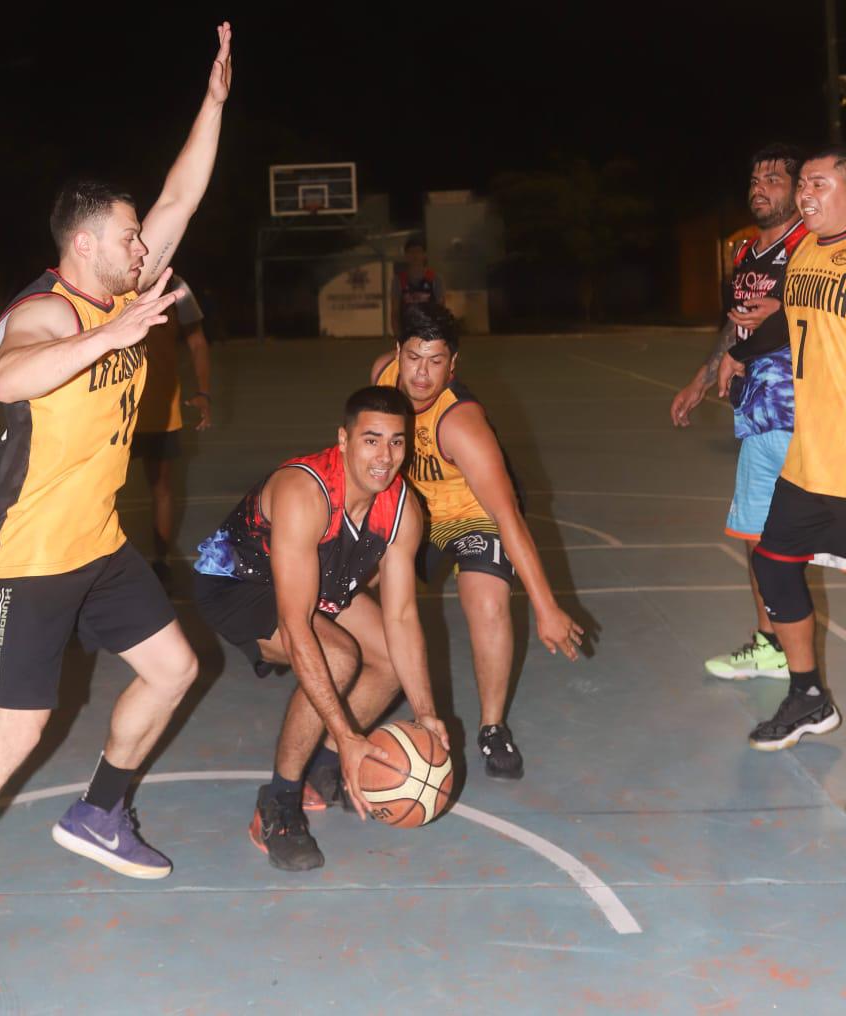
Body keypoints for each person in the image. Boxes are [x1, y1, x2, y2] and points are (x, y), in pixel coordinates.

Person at [0, 24, 232, 1013]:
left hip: (99, 544)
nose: (142, 246)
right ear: (83, 245)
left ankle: (99, 810)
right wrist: (112, 331)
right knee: (11, 734)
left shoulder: (123, 275)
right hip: (28, 557)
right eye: (126, 238)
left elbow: (180, 196)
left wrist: (212, 102)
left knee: (174, 667)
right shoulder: (49, 310)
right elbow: (9, 371)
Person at [193, 386, 449, 872]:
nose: (385, 456)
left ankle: (326, 771)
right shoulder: (304, 492)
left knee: (390, 659)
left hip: (316, 574)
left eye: (397, 442)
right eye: (371, 440)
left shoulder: (402, 509)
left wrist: (427, 711)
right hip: (238, 581)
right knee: (339, 657)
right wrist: (350, 733)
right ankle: (280, 802)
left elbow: (401, 617)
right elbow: (296, 625)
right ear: (343, 439)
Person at [373, 302, 583, 780]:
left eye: (436, 361)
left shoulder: (461, 425)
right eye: (413, 357)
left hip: (472, 515)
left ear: (454, 364)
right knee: (355, 588)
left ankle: (493, 727)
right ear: (396, 353)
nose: (421, 374)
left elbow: (507, 517)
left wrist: (546, 605)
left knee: (487, 601)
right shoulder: (380, 379)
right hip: (413, 512)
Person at [670, 145, 806, 681]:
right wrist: (699, 379)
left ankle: (782, 650)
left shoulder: (809, 249)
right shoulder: (750, 253)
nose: (759, 186)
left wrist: (740, 352)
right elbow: (737, 326)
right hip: (756, 412)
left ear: (798, 191)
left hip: (796, 411)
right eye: (754, 178)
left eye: (773, 178)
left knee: (788, 535)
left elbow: (808, 315)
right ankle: (770, 643)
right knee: (757, 534)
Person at [746, 146, 846, 750]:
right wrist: (736, 354)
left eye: (818, 183)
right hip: (811, 459)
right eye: (802, 183)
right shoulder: (805, 249)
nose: (804, 193)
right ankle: (808, 694)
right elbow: (792, 315)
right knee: (773, 565)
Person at [132, 273, 212, 586]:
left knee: (161, 485)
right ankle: (95, 566)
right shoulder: (111, 278)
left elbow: (197, 342)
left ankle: (160, 562)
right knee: (100, 487)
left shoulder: (178, 286)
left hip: (160, 406)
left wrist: (204, 392)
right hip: (113, 409)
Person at [390, 235, 445, 337]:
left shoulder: (435, 279)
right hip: (407, 333)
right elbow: (395, 313)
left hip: (430, 333)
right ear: (406, 255)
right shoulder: (399, 280)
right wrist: (398, 337)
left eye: (418, 252)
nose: (415, 255)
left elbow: (441, 310)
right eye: (411, 252)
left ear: (424, 255)